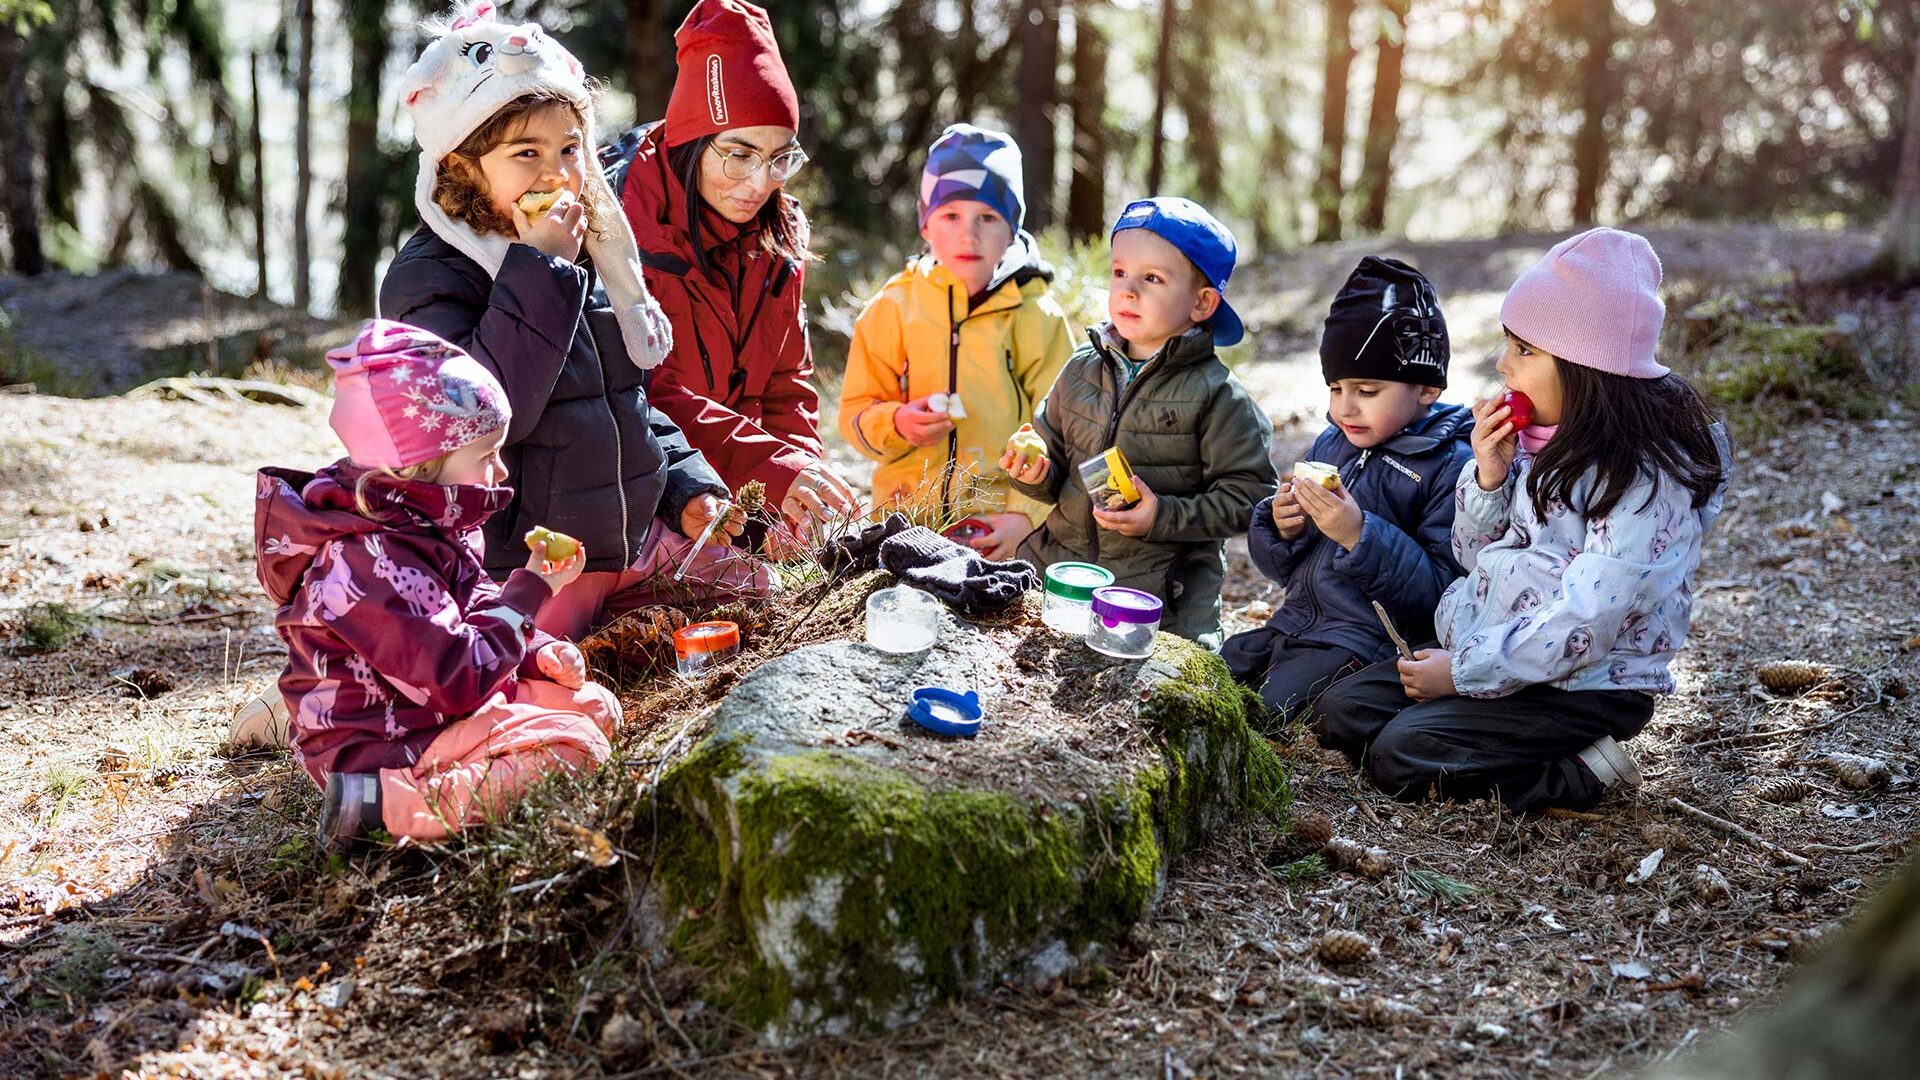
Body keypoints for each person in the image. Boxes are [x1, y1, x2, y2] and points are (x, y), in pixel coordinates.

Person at [377, 0, 766, 642]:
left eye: (570, 148)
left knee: (756, 590)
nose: (557, 172)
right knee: (521, 672)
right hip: (526, 561)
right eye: (525, 153)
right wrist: (539, 272)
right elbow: (491, 417)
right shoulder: (431, 278)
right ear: (460, 165)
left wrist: (687, 490)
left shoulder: (588, 257)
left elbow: (625, 402)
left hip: (629, 538)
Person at [1312, 228, 1731, 811]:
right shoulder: (1537, 436)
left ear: (1589, 364)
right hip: (1499, 649)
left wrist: (1461, 673)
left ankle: (1582, 771)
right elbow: (1471, 554)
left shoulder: (1639, 476)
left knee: (1398, 756)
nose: (1503, 364)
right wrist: (1488, 476)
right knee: (1341, 713)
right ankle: (1473, 726)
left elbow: (1589, 620)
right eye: (1509, 344)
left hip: (1587, 682)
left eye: (1525, 350)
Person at [255, 320, 621, 849]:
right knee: (578, 748)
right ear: (421, 463)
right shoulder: (369, 561)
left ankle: (431, 787)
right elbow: (455, 674)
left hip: (427, 716)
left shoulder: (428, 525)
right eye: (485, 455)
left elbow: (472, 608)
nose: (500, 472)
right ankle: (380, 808)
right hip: (377, 746)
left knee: (593, 707)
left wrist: (536, 652)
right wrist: (533, 590)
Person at [608, 0, 857, 539]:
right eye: (739, 153)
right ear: (691, 140)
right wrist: (772, 472)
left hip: (740, 508)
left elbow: (786, 383)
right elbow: (645, 391)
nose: (760, 182)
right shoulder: (614, 230)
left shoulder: (778, 235)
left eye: (779, 157)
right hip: (644, 505)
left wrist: (798, 495)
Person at [1003, 197, 1276, 645]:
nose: (1128, 290)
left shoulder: (1217, 394)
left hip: (1160, 604)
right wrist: (1034, 473)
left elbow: (1251, 499)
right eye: (1119, 273)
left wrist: (1161, 515)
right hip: (1059, 578)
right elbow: (1052, 460)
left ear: (1202, 302)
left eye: (1152, 278)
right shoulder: (1081, 367)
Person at [1221, 257, 1473, 726]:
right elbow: (1280, 569)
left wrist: (1360, 534)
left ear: (1425, 388)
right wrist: (1280, 526)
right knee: (1211, 676)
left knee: (1260, 713)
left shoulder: (1451, 467)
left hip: (1362, 644)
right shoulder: (1334, 443)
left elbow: (1440, 596)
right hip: (1294, 622)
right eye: (1335, 388)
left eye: (1367, 390)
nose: (1344, 408)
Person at [838, 124, 1076, 558]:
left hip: (996, 529)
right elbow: (855, 413)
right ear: (926, 224)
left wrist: (1024, 516)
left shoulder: (1036, 315)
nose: (969, 235)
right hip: (904, 522)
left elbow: (1065, 431)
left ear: (1012, 229)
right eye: (951, 216)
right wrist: (896, 423)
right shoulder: (894, 307)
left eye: (987, 217)